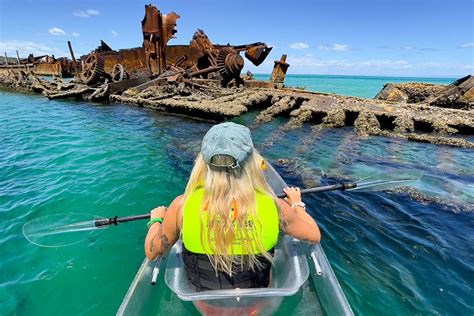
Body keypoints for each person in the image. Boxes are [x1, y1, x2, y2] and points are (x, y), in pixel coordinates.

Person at [144, 122, 320, 291]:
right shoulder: (277, 206)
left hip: (205, 305)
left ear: (203, 163)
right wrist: (297, 204)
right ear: (252, 162)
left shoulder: (181, 205)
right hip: (257, 304)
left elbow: (152, 252)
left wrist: (157, 219)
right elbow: (314, 235)